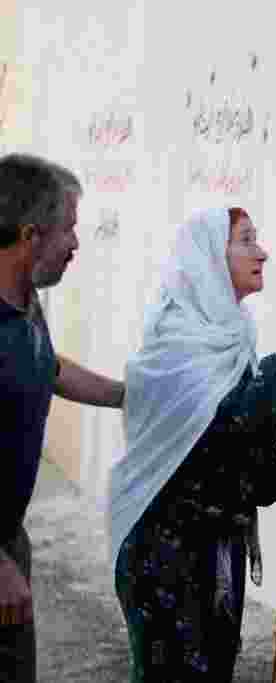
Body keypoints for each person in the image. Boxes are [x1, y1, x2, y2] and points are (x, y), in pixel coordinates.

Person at [107, 206, 276, 681]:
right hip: (165, 554)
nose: (263, 252)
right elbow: (227, 432)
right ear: (209, 257)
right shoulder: (177, 345)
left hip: (212, 552)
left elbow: (236, 446)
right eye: (247, 240)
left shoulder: (231, 335)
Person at [1, 154, 125, 682]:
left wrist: (127, 395)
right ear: (30, 234)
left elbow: (47, 367)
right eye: (68, 229)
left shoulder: (26, 303)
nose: (76, 244)